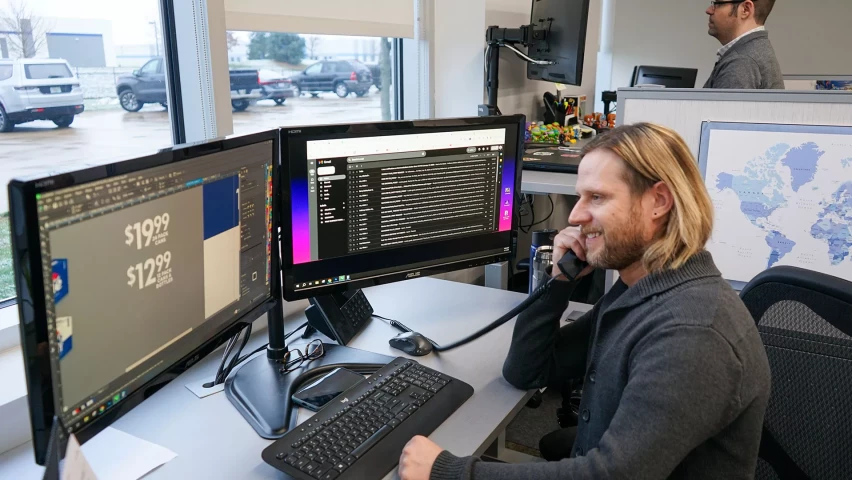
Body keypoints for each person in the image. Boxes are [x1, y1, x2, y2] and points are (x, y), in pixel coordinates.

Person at [397, 123, 772, 480]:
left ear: (658, 201)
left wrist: (450, 472)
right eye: (580, 196)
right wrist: (559, 281)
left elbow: (613, 476)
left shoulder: (692, 333)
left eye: (597, 197)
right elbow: (527, 371)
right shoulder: (638, 289)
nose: (575, 215)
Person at [704, 0, 784, 89]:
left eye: (717, 4)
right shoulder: (756, 50)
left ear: (745, 9)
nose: (709, 10)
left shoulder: (741, 63)